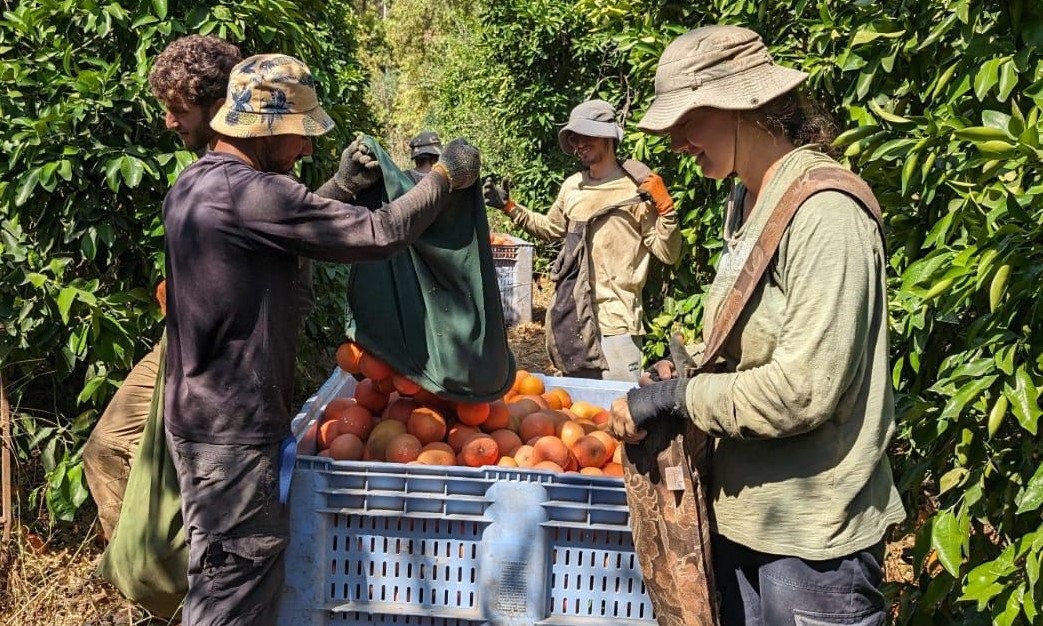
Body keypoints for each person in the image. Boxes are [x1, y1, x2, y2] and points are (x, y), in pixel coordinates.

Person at [162, 53, 480, 626]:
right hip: (231, 433)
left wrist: (341, 187)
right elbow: (380, 233)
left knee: (220, 577)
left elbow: (279, 230)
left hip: (203, 420)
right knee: (231, 594)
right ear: (267, 129)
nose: (305, 148)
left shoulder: (199, 182)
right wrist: (443, 178)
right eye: (298, 136)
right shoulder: (252, 192)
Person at [610, 25, 906, 625]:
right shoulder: (747, 200)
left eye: (687, 121)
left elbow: (803, 389)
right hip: (744, 516)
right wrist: (687, 369)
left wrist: (678, 397)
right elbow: (757, 347)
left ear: (743, 103)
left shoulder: (826, 214)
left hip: (812, 543)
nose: (677, 142)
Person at [82, 34, 242, 542]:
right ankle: (158, 577)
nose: (169, 122)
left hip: (214, 356)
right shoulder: (206, 170)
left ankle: (181, 582)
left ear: (218, 107)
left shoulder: (248, 167)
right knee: (107, 448)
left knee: (172, 467)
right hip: (181, 339)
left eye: (179, 109)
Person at [483, 99, 681, 381]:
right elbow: (551, 228)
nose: (579, 143)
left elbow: (667, 252)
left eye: (586, 135)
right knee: (577, 413)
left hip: (617, 324)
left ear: (608, 137)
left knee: (619, 412)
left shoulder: (637, 189)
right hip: (573, 320)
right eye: (574, 137)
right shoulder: (572, 186)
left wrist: (666, 209)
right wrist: (511, 209)